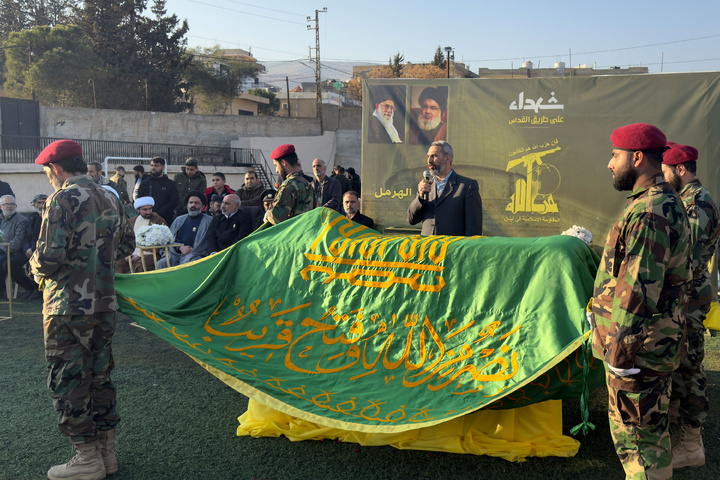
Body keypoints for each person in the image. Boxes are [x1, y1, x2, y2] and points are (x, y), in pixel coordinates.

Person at [591, 123, 691, 480]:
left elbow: (637, 290)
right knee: (650, 436)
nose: (609, 164)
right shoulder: (661, 202)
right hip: (651, 347)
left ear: (636, 158)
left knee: (639, 445)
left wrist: (619, 354)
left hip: (638, 354)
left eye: (615, 156)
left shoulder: (650, 211)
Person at [29, 139, 134, 480]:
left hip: (67, 305)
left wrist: (33, 266)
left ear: (56, 168)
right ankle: (107, 454)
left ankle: (87, 458)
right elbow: (129, 245)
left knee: (68, 379)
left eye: (47, 172)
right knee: (100, 376)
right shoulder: (111, 195)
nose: (48, 178)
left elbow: (48, 257)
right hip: (104, 301)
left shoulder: (63, 198)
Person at [661, 142, 720, 468]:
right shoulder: (685, 200)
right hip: (681, 298)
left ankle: (692, 443)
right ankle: (676, 426)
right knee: (678, 362)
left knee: (690, 367)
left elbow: (686, 255)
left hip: (690, 300)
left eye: (666, 170)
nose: (663, 176)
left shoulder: (699, 203)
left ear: (680, 169)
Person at [406, 141, 483, 236]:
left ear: (447, 158)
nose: (429, 161)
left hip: (452, 248)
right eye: (428, 157)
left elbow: (474, 229)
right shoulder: (426, 186)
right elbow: (411, 220)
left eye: (434, 156)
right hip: (427, 248)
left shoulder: (467, 186)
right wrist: (420, 197)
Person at [157, 191, 213, 268]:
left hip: (196, 254)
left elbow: (208, 243)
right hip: (176, 253)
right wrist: (180, 248)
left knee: (189, 261)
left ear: (203, 206)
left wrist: (191, 250)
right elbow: (170, 240)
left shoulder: (209, 221)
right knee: (162, 263)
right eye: (191, 202)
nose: (193, 205)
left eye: (196, 203)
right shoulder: (179, 220)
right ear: (187, 205)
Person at [266, 144, 316, 225]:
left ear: (283, 163)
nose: (276, 171)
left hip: (292, 235)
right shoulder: (307, 183)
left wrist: (267, 214)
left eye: (276, 165)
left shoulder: (288, 185)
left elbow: (276, 218)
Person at [116, 196, 167, 274]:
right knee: (117, 264)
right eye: (145, 209)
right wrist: (127, 253)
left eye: (150, 209)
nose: (148, 212)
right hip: (131, 253)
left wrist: (140, 254)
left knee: (142, 265)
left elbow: (162, 241)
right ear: (138, 210)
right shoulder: (132, 221)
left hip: (151, 253)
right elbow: (126, 239)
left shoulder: (159, 220)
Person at [0, 194, 37, 298]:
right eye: (6, 204)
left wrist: (2, 249)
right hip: (3, 250)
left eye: (12, 204)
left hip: (14, 252)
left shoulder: (21, 220)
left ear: (16, 206)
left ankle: (1, 291)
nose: (9, 206)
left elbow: (18, 242)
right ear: (0, 206)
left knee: (2, 263)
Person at [137, 157, 179, 225]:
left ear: (163, 167)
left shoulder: (171, 184)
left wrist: (158, 213)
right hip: (147, 220)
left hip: (166, 220)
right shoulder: (144, 184)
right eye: (152, 165)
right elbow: (140, 200)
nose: (153, 168)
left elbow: (174, 202)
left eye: (156, 165)